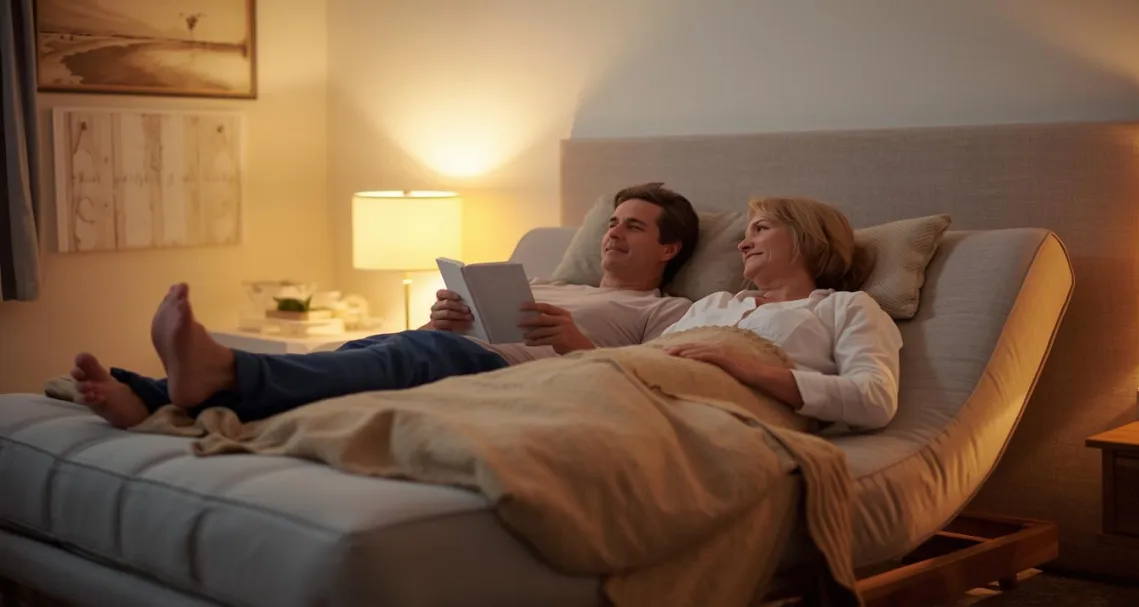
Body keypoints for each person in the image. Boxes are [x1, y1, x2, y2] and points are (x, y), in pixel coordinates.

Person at [70, 183, 700, 429]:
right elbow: (442, 335)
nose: (613, 232)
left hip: (504, 377)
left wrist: (573, 343)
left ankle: (217, 371)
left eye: (635, 228)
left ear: (669, 247)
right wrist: (445, 318)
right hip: (455, 349)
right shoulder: (545, 277)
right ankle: (150, 394)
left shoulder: (662, 311)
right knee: (359, 351)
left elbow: (651, 379)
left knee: (402, 351)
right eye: (612, 221)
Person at [659, 196, 903, 430]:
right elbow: (650, 354)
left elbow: (876, 399)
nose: (742, 245)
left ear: (807, 237)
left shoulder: (845, 307)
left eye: (761, 229)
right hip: (655, 394)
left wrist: (748, 368)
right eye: (746, 235)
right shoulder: (712, 304)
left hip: (725, 420)